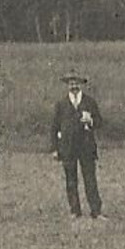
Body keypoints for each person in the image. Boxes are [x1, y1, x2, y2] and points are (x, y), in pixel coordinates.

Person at [51, 71, 105, 219]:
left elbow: (100, 122)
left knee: (90, 179)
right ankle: (75, 211)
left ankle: (96, 211)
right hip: (68, 148)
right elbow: (54, 127)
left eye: (76, 83)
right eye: (70, 83)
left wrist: (91, 122)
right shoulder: (61, 104)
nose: (73, 86)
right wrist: (55, 148)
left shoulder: (89, 102)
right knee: (71, 180)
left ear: (81, 84)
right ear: (67, 85)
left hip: (86, 147)